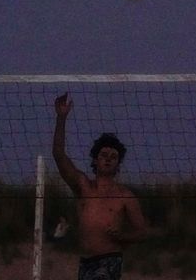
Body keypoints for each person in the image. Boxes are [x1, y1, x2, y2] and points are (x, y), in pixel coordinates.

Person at [52, 92, 148, 280]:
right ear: (95, 160)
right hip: (86, 262)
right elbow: (58, 154)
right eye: (104, 155)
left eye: (113, 157)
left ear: (118, 165)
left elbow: (141, 232)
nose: (108, 160)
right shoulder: (83, 186)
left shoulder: (125, 196)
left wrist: (122, 237)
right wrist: (61, 118)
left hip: (109, 261)